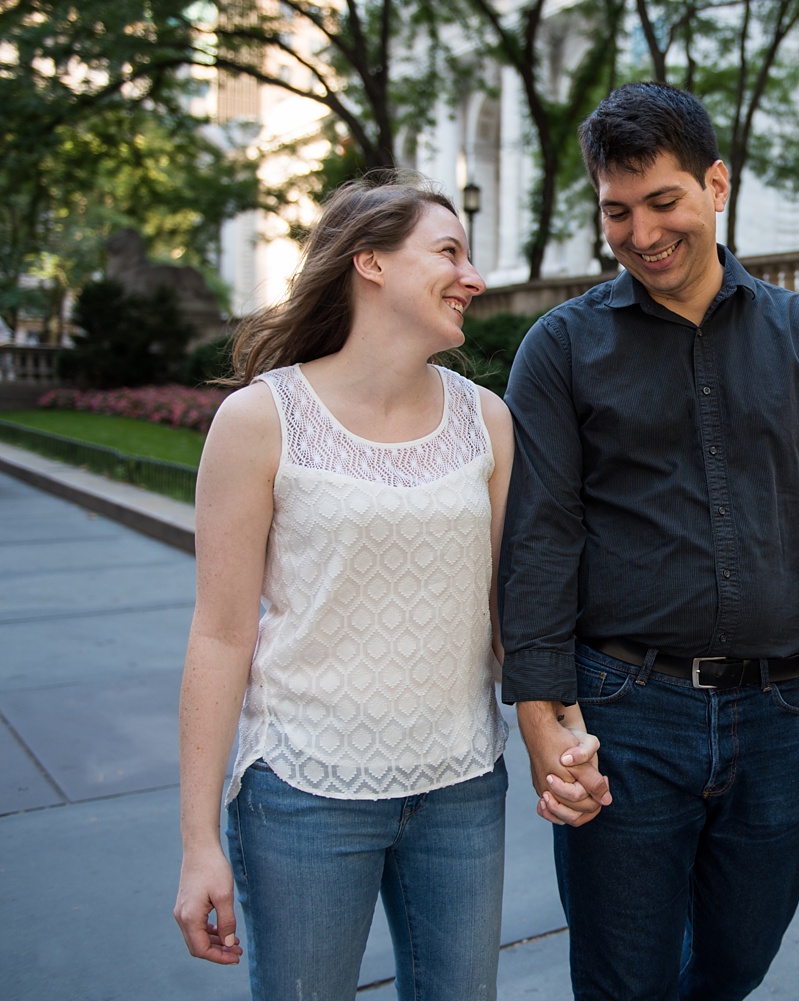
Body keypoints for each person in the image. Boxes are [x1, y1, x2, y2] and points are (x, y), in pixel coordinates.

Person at [500, 82, 799, 1001]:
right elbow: (540, 540)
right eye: (617, 211)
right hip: (625, 710)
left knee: (736, 959)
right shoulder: (560, 349)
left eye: (663, 200)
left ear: (717, 185)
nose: (642, 233)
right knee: (623, 976)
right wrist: (540, 717)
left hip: (778, 714)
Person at [171, 173, 603, 1000]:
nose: (473, 278)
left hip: (462, 787)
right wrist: (198, 841)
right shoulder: (261, 420)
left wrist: (565, 733)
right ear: (368, 261)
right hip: (303, 792)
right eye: (449, 252)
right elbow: (220, 634)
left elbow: (510, 612)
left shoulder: (487, 420)